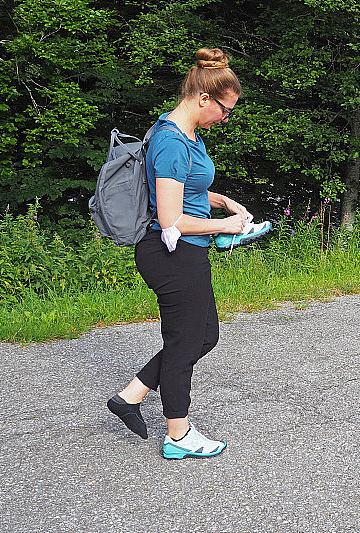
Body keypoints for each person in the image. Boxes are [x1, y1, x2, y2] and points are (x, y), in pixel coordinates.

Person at [107, 48, 248, 460]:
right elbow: (171, 218)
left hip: (187, 252)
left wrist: (222, 202)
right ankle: (178, 435)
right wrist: (225, 227)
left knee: (204, 336)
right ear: (204, 98)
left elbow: (186, 188)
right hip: (170, 253)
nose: (226, 118)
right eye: (225, 110)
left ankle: (129, 397)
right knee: (185, 342)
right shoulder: (169, 141)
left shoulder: (188, 137)